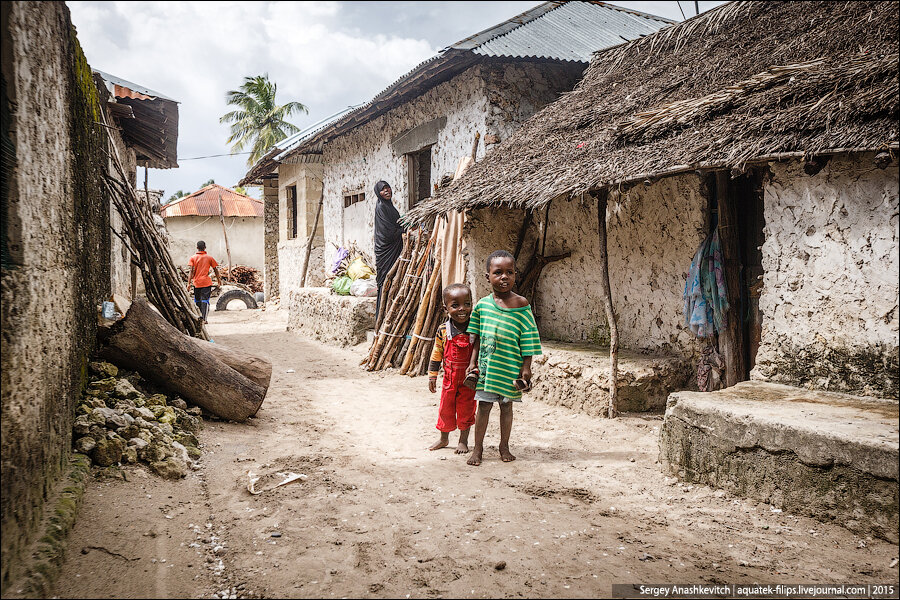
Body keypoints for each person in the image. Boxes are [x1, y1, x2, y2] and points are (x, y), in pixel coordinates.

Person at [465, 250, 542, 466]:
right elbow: (477, 337)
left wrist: (526, 366)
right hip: (487, 368)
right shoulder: (482, 305)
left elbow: (528, 339)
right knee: (484, 407)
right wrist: (472, 363)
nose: (504, 277)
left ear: (515, 275)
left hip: (510, 367)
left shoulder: (522, 305)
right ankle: (478, 448)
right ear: (487, 276)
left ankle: (504, 446)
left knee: (507, 407)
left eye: (509, 272)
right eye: (498, 272)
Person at [427, 283, 477, 454]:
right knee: (445, 408)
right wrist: (432, 376)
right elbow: (436, 354)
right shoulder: (443, 330)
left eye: (467, 304)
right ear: (445, 308)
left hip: (469, 380)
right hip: (449, 379)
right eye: (455, 305)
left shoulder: (475, 329)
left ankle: (463, 441)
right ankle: (443, 438)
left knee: (467, 409)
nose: (462, 309)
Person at [373, 180, 404, 321]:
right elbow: (387, 232)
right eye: (383, 189)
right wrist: (404, 228)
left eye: (388, 188)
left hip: (392, 248)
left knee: (394, 279)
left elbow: (396, 223)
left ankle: (391, 313)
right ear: (378, 193)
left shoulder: (389, 207)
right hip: (385, 250)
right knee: (386, 279)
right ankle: (382, 315)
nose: (387, 191)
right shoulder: (381, 207)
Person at [187, 240, 222, 324]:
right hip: (206, 283)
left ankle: (198, 317)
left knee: (197, 300)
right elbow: (215, 270)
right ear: (205, 247)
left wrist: (188, 283)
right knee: (205, 300)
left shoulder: (193, 258)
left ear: (197, 248)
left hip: (197, 283)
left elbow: (191, 271)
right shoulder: (209, 258)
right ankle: (204, 319)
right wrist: (219, 281)